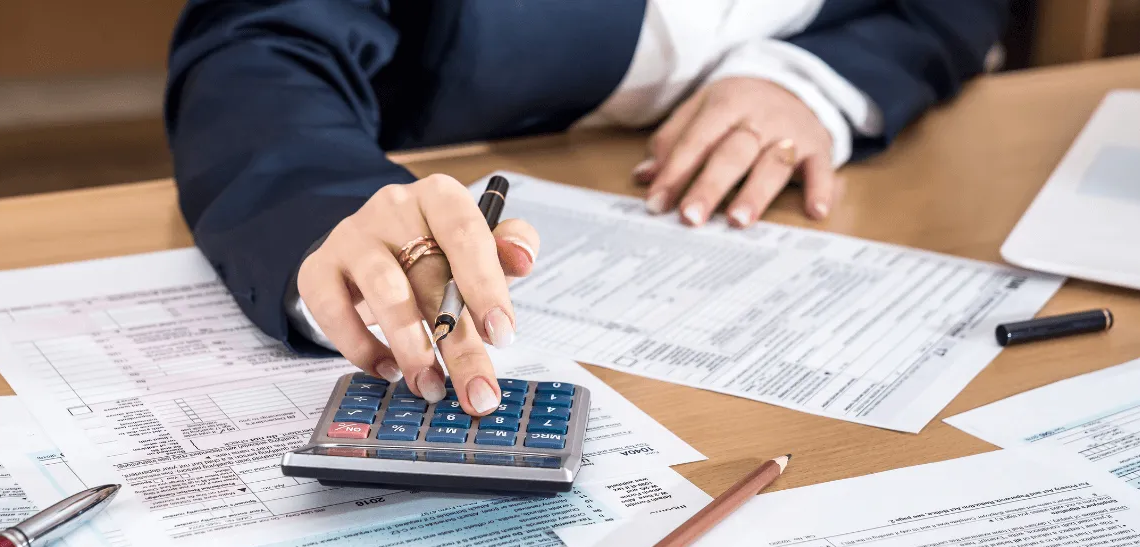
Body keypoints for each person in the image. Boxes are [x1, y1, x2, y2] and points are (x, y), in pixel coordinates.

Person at [167, 0, 1008, 416]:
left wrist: (815, 82)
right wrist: (342, 222)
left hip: (785, 234)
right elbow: (262, 48)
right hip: (430, 167)